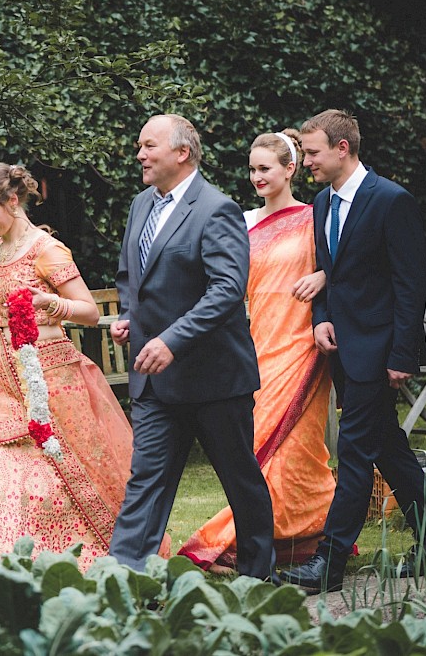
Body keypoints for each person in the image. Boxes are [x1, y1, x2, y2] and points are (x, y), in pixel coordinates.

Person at [0, 163, 161, 580]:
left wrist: (49, 304)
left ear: (13, 201)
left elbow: (90, 312)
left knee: (59, 473)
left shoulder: (47, 250)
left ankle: (68, 565)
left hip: (51, 378)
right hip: (1, 380)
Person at [281, 109, 426, 593]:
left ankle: (329, 563)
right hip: (342, 348)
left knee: (353, 451)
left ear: (342, 148)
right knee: (389, 448)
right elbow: (328, 274)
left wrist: (402, 354)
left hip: (378, 352)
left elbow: (408, 284)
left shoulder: (391, 200)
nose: (305, 160)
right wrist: (321, 318)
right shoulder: (320, 202)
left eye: (312, 152)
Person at [108, 114, 276, 580]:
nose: (139, 154)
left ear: (182, 153)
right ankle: (123, 579)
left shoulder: (215, 209)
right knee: (145, 481)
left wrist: (171, 341)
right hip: (155, 380)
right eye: (140, 146)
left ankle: (260, 579)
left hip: (214, 378)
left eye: (149, 146)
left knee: (240, 480)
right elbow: (131, 278)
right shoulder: (141, 204)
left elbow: (226, 289)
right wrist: (130, 317)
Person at [179, 129, 336, 572]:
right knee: (254, 446)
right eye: (251, 169)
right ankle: (269, 539)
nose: (256, 177)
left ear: (290, 170)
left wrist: (324, 278)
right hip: (256, 345)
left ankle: (298, 536)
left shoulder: (312, 218)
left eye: (265, 168)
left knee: (296, 447)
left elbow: (345, 265)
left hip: (303, 345)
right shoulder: (243, 222)